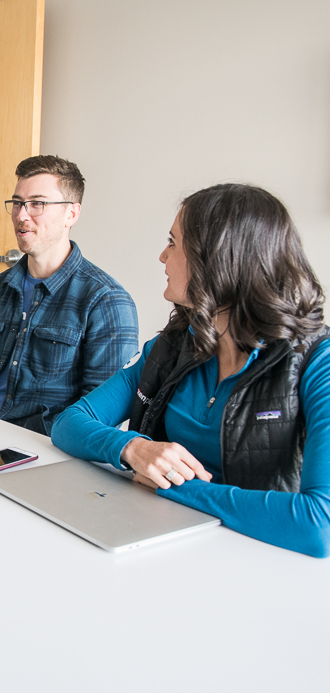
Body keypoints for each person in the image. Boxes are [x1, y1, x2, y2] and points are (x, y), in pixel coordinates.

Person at [52, 183, 330, 557]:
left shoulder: (317, 360)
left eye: (173, 243)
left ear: (216, 258)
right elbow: (70, 423)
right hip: (158, 538)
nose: (162, 256)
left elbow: (318, 525)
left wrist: (172, 484)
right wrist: (133, 448)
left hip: (255, 560)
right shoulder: (174, 343)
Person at [0, 155, 139, 435]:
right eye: (18, 203)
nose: (22, 215)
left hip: (40, 445)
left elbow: (101, 412)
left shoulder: (106, 300)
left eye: (37, 203)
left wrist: (22, 440)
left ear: (71, 213)